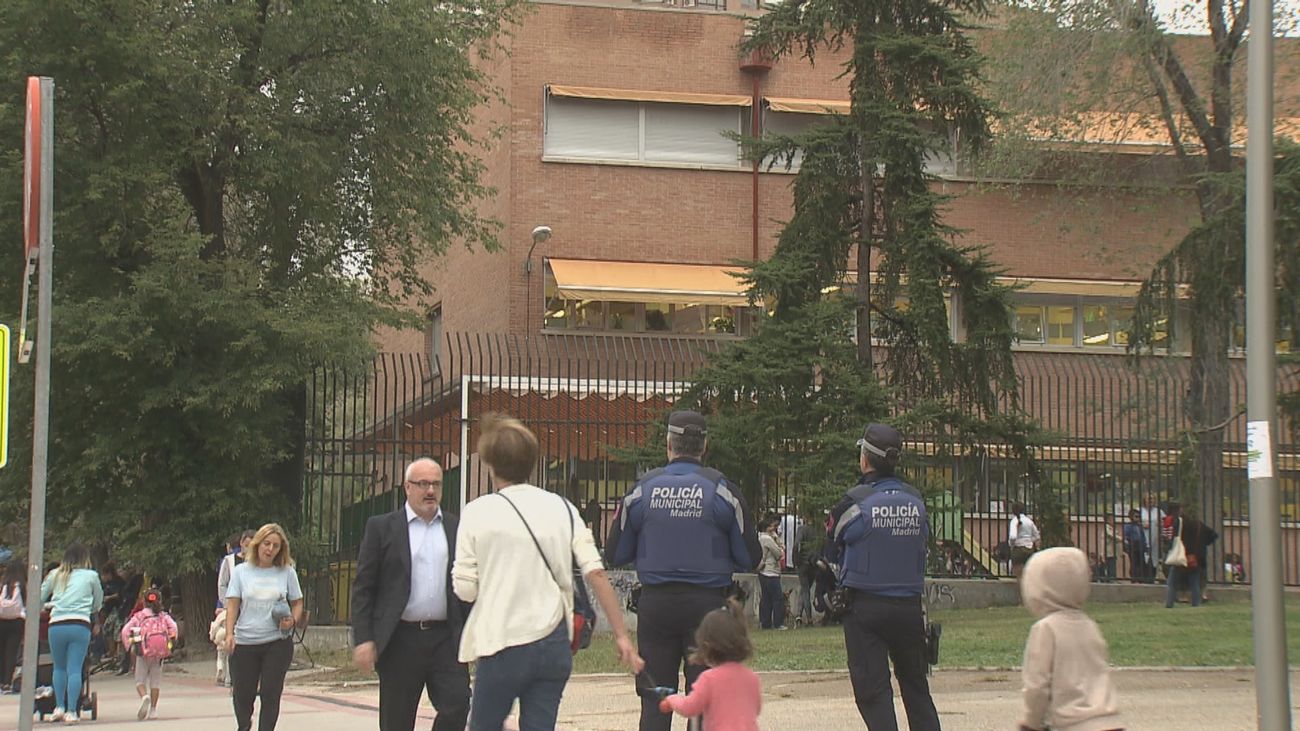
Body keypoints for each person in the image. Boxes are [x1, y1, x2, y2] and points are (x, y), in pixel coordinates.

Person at [454, 414, 642, 730]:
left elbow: (465, 589)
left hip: (502, 642)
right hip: (553, 641)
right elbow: (595, 572)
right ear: (531, 460)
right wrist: (622, 635)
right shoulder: (562, 508)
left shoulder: (477, 512)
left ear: (490, 463)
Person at [606, 409, 761, 731]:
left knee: (654, 699)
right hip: (708, 609)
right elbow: (749, 557)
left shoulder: (641, 490)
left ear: (668, 443)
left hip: (656, 606)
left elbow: (615, 554)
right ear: (704, 445)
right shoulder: (723, 490)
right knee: (706, 701)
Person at [828, 423, 940, 731]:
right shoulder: (916, 500)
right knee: (917, 690)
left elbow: (831, 548)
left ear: (865, 459)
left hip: (864, 607)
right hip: (909, 607)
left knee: (873, 692)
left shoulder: (854, 501)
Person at [350, 458, 470, 731]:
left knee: (458, 703)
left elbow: (468, 584)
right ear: (407, 487)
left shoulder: (455, 528)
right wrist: (364, 638)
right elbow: (364, 588)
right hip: (400, 640)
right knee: (397, 721)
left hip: (445, 639)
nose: (430, 491)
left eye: (436, 484)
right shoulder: (381, 528)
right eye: (422, 484)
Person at [1018, 547, 1124, 731]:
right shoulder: (1090, 626)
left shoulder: (1046, 629)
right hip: (1109, 722)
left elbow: (1037, 685)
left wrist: (1030, 722)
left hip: (1072, 723)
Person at [224, 523, 304, 731]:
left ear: (281, 549)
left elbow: (297, 602)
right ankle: (244, 726)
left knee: (270, 692)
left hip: (276, 642)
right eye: (267, 544)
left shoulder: (287, 572)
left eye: (276, 546)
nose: (270, 549)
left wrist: (292, 620)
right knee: (242, 694)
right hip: (245, 642)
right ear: (257, 544)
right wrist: (229, 634)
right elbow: (232, 604)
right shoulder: (241, 572)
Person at [658, 600, 761, 730]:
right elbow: (756, 709)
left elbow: (690, 707)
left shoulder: (708, 679)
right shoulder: (752, 678)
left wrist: (672, 700)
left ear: (706, 646)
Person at [41, 542, 104, 723]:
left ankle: (58, 706)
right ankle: (71, 711)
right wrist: (92, 609)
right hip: (79, 624)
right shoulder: (91, 576)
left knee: (59, 667)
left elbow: (40, 596)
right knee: (74, 668)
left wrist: (45, 608)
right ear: (85, 558)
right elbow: (98, 601)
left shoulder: (55, 575)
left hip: (56, 624)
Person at [120, 588, 178, 720]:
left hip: (143, 652)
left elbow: (125, 631)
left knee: (140, 680)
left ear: (144, 602)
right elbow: (174, 628)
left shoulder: (139, 616)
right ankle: (153, 710)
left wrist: (130, 646)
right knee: (155, 682)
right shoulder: (163, 616)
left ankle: (144, 696)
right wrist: (170, 643)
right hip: (159, 653)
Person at [1161, 503, 1211, 609]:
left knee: (1172, 581)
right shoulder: (1196, 524)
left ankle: (1169, 603)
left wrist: (1168, 547)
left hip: (1180, 553)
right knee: (1194, 580)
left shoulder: (1176, 521)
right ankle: (1196, 603)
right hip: (1192, 555)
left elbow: (1169, 538)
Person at [0, 560, 25, 692]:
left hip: (1, 620)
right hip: (16, 622)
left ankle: (0, 680)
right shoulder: (21, 585)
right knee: (11, 652)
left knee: (2, 651)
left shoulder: (3, 585)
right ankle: (7, 682)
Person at [757, 520, 786, 630]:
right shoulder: (767, 539)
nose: (774, 528)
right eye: (772, 526)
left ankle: (765, 623)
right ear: (767, 528)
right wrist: (777, 540)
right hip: (771, 571)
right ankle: (778, 623)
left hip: (762, 572)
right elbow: (779, 554)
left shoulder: (759, 538)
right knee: (777, 598)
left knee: (766, 599)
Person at [1008, 503, 1041, 577]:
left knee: (1017, 574)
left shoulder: (1014, 521)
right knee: (1028, 573)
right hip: (1029, 549)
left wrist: (1011, 544)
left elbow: (1012, 537)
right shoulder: (1029, 521)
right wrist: (1029, 540)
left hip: (1018, 549)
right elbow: (1037, 536)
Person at [1139, 494, 1165, 581]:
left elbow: (1165, 522)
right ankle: (1143, 578)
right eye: (1148, 498)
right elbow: (1134, 522)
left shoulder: (1158, 511)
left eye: (1153, 499)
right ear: (1144, 500)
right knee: (1143, 558)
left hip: (1155, 538)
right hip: (1143, 538)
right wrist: (1142, 524)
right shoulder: (1140, 511)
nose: (1150, 501)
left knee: (1154, 559)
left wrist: (1161, 524)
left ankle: (1152, 578)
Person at [1121, 509, 1148, 583]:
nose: (1138, 518)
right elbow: (1126, 536)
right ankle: (1134, 577)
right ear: (1131, 517)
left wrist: (1145, 545)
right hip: (1133, 545)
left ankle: (1141, 578)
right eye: (1136, 516)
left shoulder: (1139, 526)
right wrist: (1127, 546)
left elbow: (1142, 536)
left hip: (1140, 546)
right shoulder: (1128, 526)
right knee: (1134, 562)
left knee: (1141, 562)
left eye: (1139, 516)